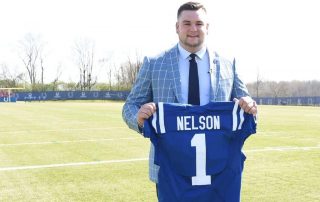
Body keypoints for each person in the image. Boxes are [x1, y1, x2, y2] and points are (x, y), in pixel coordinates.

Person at [122, 1, 257, 199]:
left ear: (208, 27)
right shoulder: (154, 63)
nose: (193, 29)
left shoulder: (229, 64)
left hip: (219, 170)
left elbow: (247, 104)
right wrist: (138, 119)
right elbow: (129, 106)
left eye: (199, 23)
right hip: (171, 171)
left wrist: (250, 104)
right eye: (186, 23)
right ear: (177, 27)